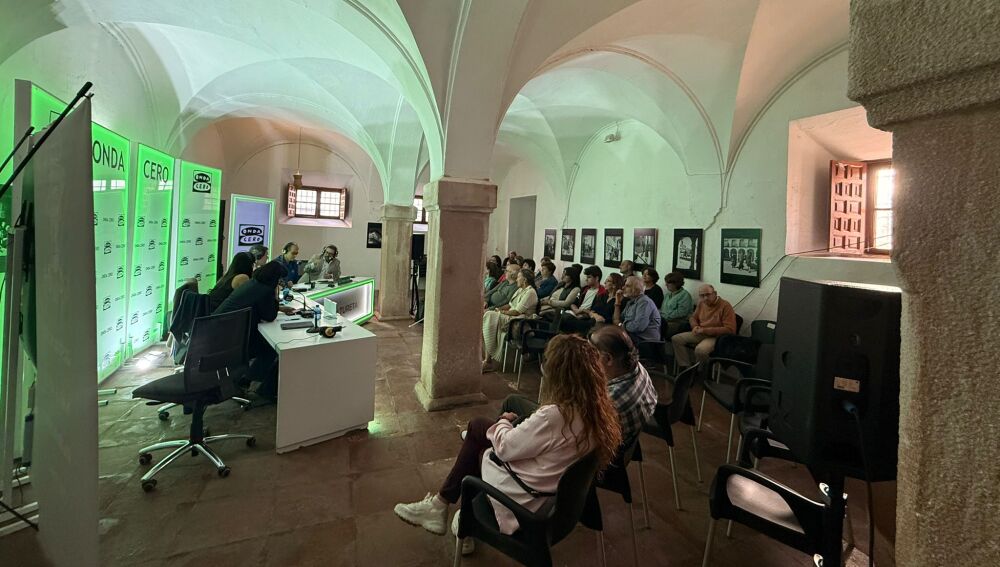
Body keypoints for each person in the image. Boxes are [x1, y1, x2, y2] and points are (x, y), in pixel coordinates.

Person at [393, 334, 622, 555]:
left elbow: (504, 447)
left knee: (479, 435)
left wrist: (503, 422)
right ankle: (449, 511)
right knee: (480, 440)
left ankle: (451, 512)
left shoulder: (557, 416)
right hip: (552, 499)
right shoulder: (597, 411)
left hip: (523, 506)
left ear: (559, 374)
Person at [214, 260, 297, 399]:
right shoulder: (265, 290)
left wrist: (279, 307)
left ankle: (247, 379)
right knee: (271, 347)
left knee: (267, 345)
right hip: (229, 339)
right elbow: (269, 316)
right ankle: (257, 385)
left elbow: (260, 308)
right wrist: (276, 297)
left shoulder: (254, 283)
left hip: (218, 332)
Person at [482, 269, 538, 372]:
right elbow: (510, 305)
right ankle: (487, 360)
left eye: (518, 277)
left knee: (489, 315)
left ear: (524, 279)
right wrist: (499, 309)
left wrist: (501, 313)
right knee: (489, 315)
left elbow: (517, 311)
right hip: (511, 317)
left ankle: (488, 361)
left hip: (519, 321)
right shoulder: (520, 289)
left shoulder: (530, 292)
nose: (517, 279)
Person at [671, 284, 737, 369]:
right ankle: (686, 367)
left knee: (700, 350)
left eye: (708, 294)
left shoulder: (725, 306)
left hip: (716, 337)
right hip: (701, 332)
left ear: (715, 293)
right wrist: (694, 326)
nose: (705, 298)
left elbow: (730, 329)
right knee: (676, 339)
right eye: (702, 295)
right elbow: (693, 317)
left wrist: (704, 330)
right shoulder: (701, 303)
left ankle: (701, 371)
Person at [558, 265, 607, 334]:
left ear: (597, 278)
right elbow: (573, 303)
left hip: (586, 317)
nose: (586, 279)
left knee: (565, 319)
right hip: (576, 313)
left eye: (589, 277)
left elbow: (595, 311)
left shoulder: (602, 293)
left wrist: (582, 311)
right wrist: (576, 310)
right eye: (586, 277)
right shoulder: (584, 289)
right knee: (559, 314)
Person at [614, 275, 661, 343]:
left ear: (637, 289)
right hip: (632, 336)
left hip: (644, 341)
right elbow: (616, 320)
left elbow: (638, 327)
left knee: (608, 339)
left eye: (627, 286)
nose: (623, 288)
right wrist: (617, 302)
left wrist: (622, 325)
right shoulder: (631, 301)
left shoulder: (644, 302)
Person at [661, 272, 694, 338]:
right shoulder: (668, 295)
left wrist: (664, 317)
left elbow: (681, 313)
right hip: (665, 320)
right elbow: (663, 309)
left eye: (668, 283)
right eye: (666, 282)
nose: (666, 285)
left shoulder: (685, 295)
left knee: (658, 328)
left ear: (676, 283)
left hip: (679, 323)